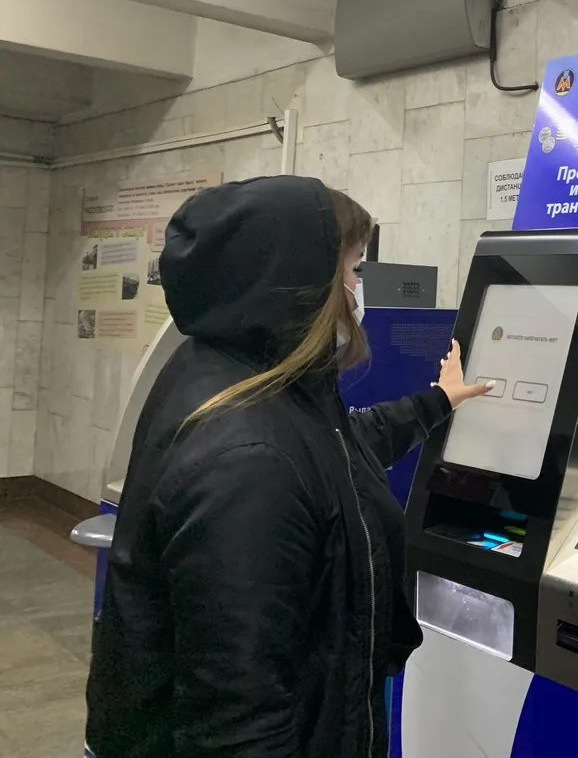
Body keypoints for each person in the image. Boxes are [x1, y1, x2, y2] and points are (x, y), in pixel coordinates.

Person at [85, 176, 491, 758]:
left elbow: (339, 449)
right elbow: (239, 724)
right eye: (352, 268)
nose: (357, 288)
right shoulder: (249, 462)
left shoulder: (234, 374)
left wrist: (438, 401)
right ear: (301, 281)